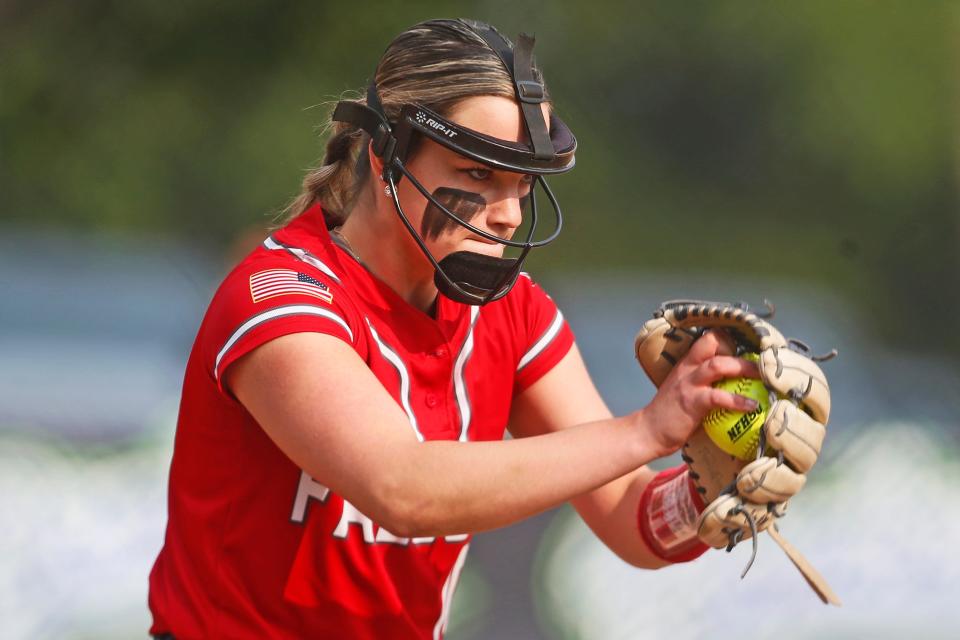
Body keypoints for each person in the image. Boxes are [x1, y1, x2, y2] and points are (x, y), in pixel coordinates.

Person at [148, 18, 760, 639]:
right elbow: (403, 490)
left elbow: (634, 521)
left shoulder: (513, 312)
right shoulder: (279, 296)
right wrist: (648, 429)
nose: (507, 215)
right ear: (387, 156)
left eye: (522, 184)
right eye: (478, 175)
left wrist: (714, 489)